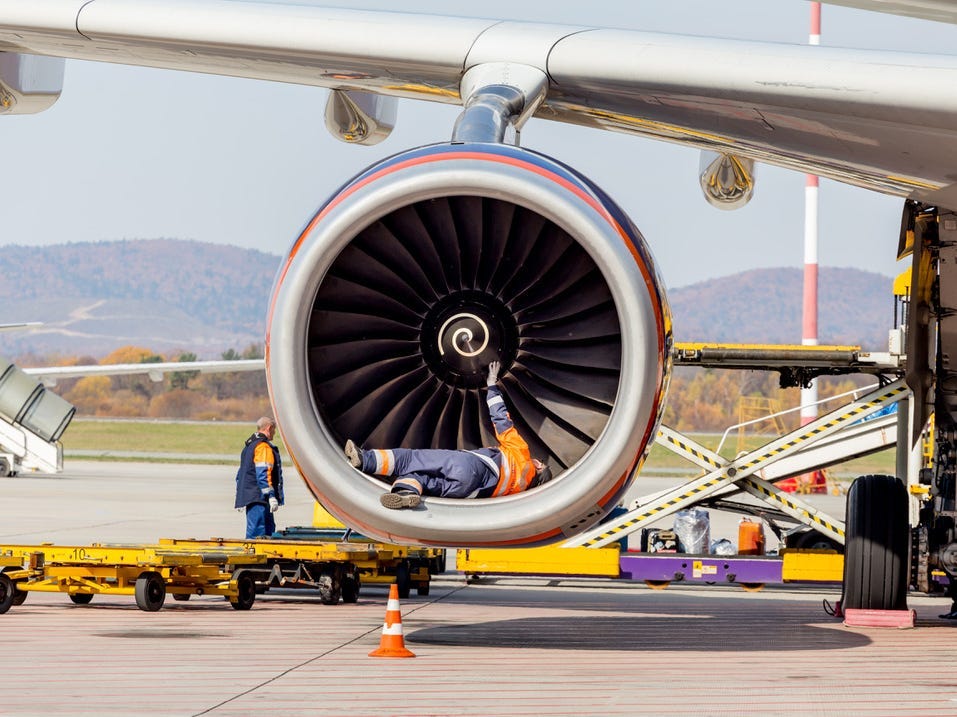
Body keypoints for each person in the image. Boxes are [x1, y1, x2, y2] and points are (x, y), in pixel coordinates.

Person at [344, 361, 553, 509]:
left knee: (413, 459)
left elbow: (501, 419)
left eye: (541, 462)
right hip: (467, 492)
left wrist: (491, 385)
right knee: (421, 479)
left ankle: (366, 460)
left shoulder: (522, 454)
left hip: (473, 468)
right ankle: (405, 493)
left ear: (539, 467)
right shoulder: (518, 495)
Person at [235, 416, 284, 538]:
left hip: (254, 497)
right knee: (258, 534)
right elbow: (263, 473)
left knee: (266, 531)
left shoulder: (249, 446)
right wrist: (271, 496)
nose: (274, 433)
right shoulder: (263, 447)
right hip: (259, 498)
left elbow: (240, 475)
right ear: (269, 428)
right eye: (274, 430)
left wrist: (242, 496)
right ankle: (253, 557)